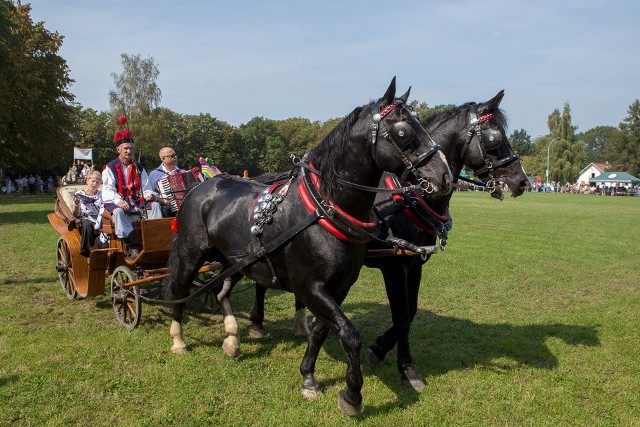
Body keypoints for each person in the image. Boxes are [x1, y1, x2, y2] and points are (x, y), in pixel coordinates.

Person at [102, 116, 162, 259]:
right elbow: (108, 190)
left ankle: (155, 240)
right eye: (125, 148)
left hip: (136, 200)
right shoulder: (110, 168)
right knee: (118, 213)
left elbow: (146, 187)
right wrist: (118, 201)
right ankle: (132, 245)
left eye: (130, 148)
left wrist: (150, 195)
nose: (128, 151)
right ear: (119, 149)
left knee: (155, 206)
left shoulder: (139, 168)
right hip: (117, 201)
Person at [74, 170, 104, 257]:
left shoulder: (102, 194)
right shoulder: (79, 194)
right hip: (85, 218)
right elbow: (75, 213)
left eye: (97, 182)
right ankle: (90, 250)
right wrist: (76, 204)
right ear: (87, 181)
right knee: (88, 225)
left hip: (99, 218)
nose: (94, 184)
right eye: (93, 181)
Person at [148, 146, 184, 217]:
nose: (175, 157)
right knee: (165, 210)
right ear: (164, 159)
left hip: (183, 204)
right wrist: (160, 200)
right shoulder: (154, 174)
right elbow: (150, 193)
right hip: (165, 206)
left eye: (175, 155)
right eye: (172, 156)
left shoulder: (182, 172)